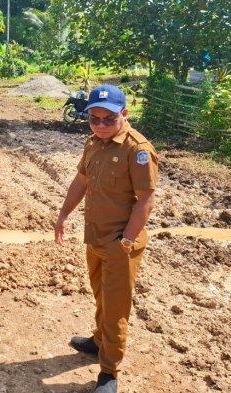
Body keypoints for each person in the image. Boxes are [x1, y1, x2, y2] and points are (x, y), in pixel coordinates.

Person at [54, 85, 158, 393]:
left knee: (115, 307)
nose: (100, 125)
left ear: (124, 114)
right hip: (96, 237)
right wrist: (63, 215)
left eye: (108, 119)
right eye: (94, 118)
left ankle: (110, 371)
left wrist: (125, 242)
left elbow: (145, 200)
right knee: (100, 293)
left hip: (120, 242)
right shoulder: (93, 143)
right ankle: (99, 340)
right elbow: (82, 180)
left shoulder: (137, 150)